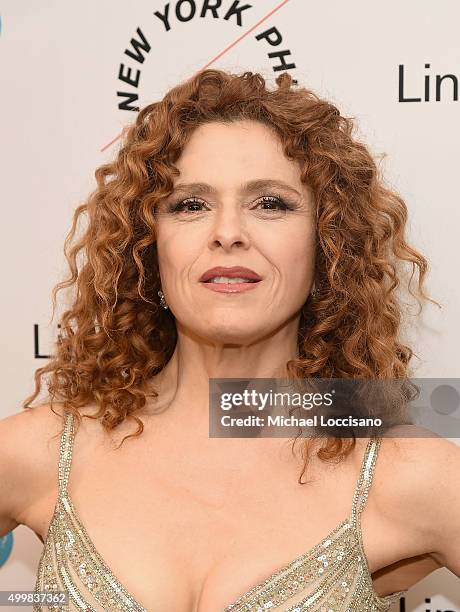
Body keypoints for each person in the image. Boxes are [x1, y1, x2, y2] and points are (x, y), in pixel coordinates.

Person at [0, 68, 459, 612]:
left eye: (270, 203)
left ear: (327, 245)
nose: (228, 232)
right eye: (190, 204)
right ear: (148, 247)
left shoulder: (402, 470)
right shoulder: (41, 452)